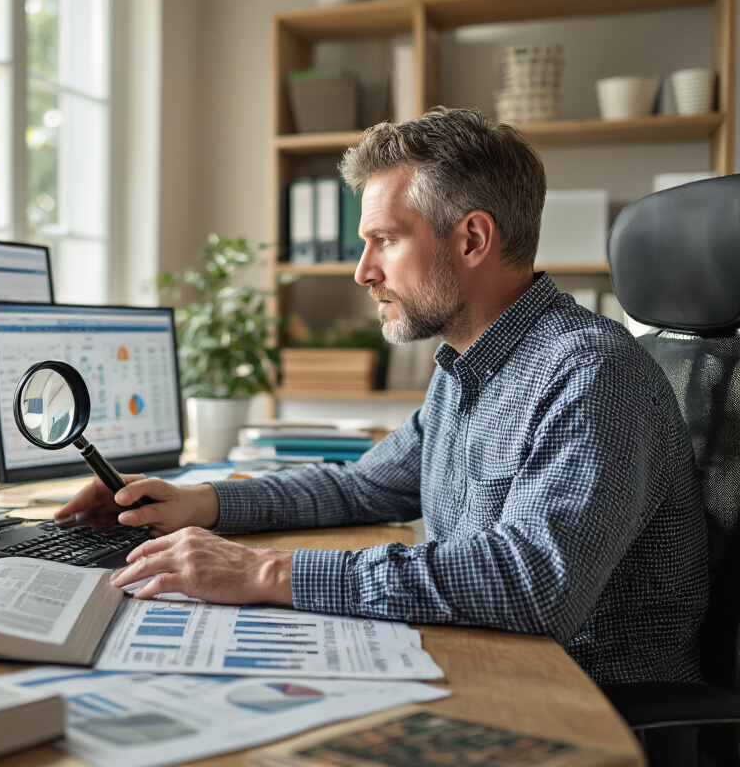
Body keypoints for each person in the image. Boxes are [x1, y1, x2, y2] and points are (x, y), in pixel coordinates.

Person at [57, 108, 708, 685]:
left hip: (581, 696)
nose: (363, 271)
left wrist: (265, 575)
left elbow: (531, 585)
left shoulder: (591, 374)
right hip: (490, 657)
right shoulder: (466, 364)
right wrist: (199, 502)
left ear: (473, 239)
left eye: (386, 240)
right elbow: (362, 488)